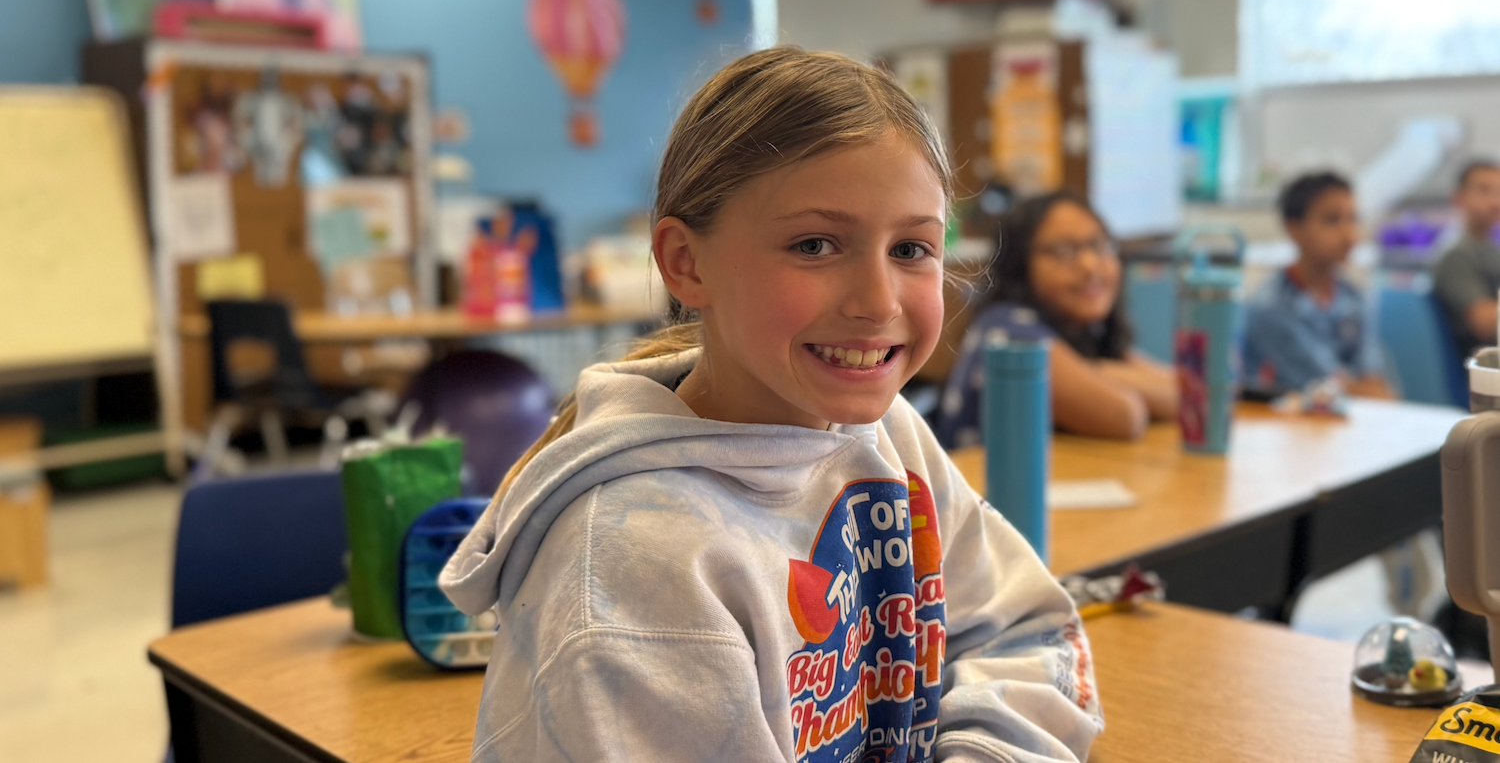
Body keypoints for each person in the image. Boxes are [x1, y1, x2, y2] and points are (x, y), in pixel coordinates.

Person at [439, 47, 1101, 763]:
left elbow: (1028, 634)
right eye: (815, 245)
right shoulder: (639, 568)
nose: (878, 302)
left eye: (911, 248)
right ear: (686, 263)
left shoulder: (882, 432)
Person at [935, 192, 1177, 447]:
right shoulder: (1008, 330)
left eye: (1100, 246)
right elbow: (1126, 415)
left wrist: (1090, 369)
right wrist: (1093, 370)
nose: (1089, 265)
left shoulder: (1080, 329)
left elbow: (1186, 392)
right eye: (1064, 251)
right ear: (1020, 263)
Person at [1242, 172, 1392, 398]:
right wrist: (1366, 390)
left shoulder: (1354, 297)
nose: (1348, 234)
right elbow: (1326, 386)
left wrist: (1370, 389)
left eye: (1353, 219)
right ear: (1294, 229)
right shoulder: (1272, 305)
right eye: (1331, 220)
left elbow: (1374, 379)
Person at [1434, 160, 1500, 359]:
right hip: (1482, 369)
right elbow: (1484, 323)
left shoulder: (1491, 249)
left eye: (1498, 191)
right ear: (1458, 198)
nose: (1494, 201)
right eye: (1483, 190)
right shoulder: (1456, 255)